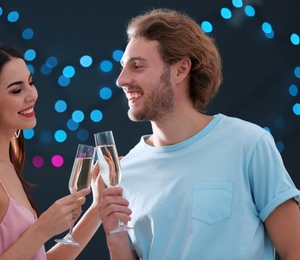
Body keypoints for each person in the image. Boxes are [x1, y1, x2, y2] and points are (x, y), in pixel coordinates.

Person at [98, 8, 300, 260]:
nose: (121, 80)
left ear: (181, 69)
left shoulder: (248, 143)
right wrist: (114, 237)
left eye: (137, 66)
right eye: (122, 67)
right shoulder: (125, 171)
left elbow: (295, 251)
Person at [0, 43, 102, 260]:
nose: (32, 95)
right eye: (16, 90)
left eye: (31, 83)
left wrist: (98, 207)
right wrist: (41, 230)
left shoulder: (4, 167)